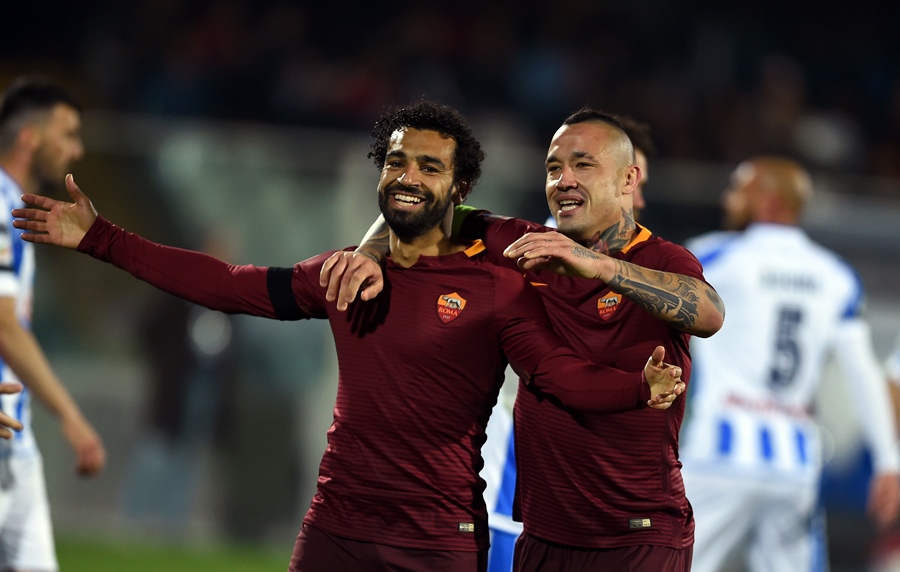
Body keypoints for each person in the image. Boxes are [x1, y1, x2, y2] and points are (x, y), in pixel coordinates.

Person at [13, 101, 686, 572]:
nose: (409, 178)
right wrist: (101, 237)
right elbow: (224, 283)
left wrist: (637, 389)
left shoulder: (499, 272)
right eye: (397, 163)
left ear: (462, 187)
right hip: (336, 527)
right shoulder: (339, 275)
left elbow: (559, 375)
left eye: (429, 167)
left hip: (438, 539)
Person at [321, 108, 726, 571]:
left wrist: (599, 266)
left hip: (637, 534)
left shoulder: (661, 258)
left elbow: (708, 312)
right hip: (542, 535)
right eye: (554, 168)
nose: (564, 180)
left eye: (583, 165)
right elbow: (423, 205)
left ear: (628, 179)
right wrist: (371, 252)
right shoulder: (526, 246)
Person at [678, 156, 900, 572]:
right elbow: (863, 373)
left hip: (718, 453)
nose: (728, 199)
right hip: (792, 465)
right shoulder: (835, 276)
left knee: (674, 564)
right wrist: (887, 461)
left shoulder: (710, 257)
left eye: (738, 189)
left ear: (768, 201)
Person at [0, 76, 106, 572]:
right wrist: (71, 415)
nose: (78, 150)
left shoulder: (15, 206)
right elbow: (4, 325)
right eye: (68, 134)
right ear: (30, 137)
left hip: (15, 441)